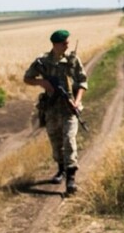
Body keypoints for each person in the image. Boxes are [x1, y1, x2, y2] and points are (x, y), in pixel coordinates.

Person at [23, 29, 88, 195]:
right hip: (51, 109)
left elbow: (82, 82)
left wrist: (77, 100)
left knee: (69, 139)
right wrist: (42, 82)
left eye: (67, 42)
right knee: (55, 142)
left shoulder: (72, 61)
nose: (67, 45)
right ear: (55, 44)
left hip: (69, 109)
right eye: (64, 42)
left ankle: (71, 179)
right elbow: (27, 78)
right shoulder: (42, 61)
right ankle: (61, 169)